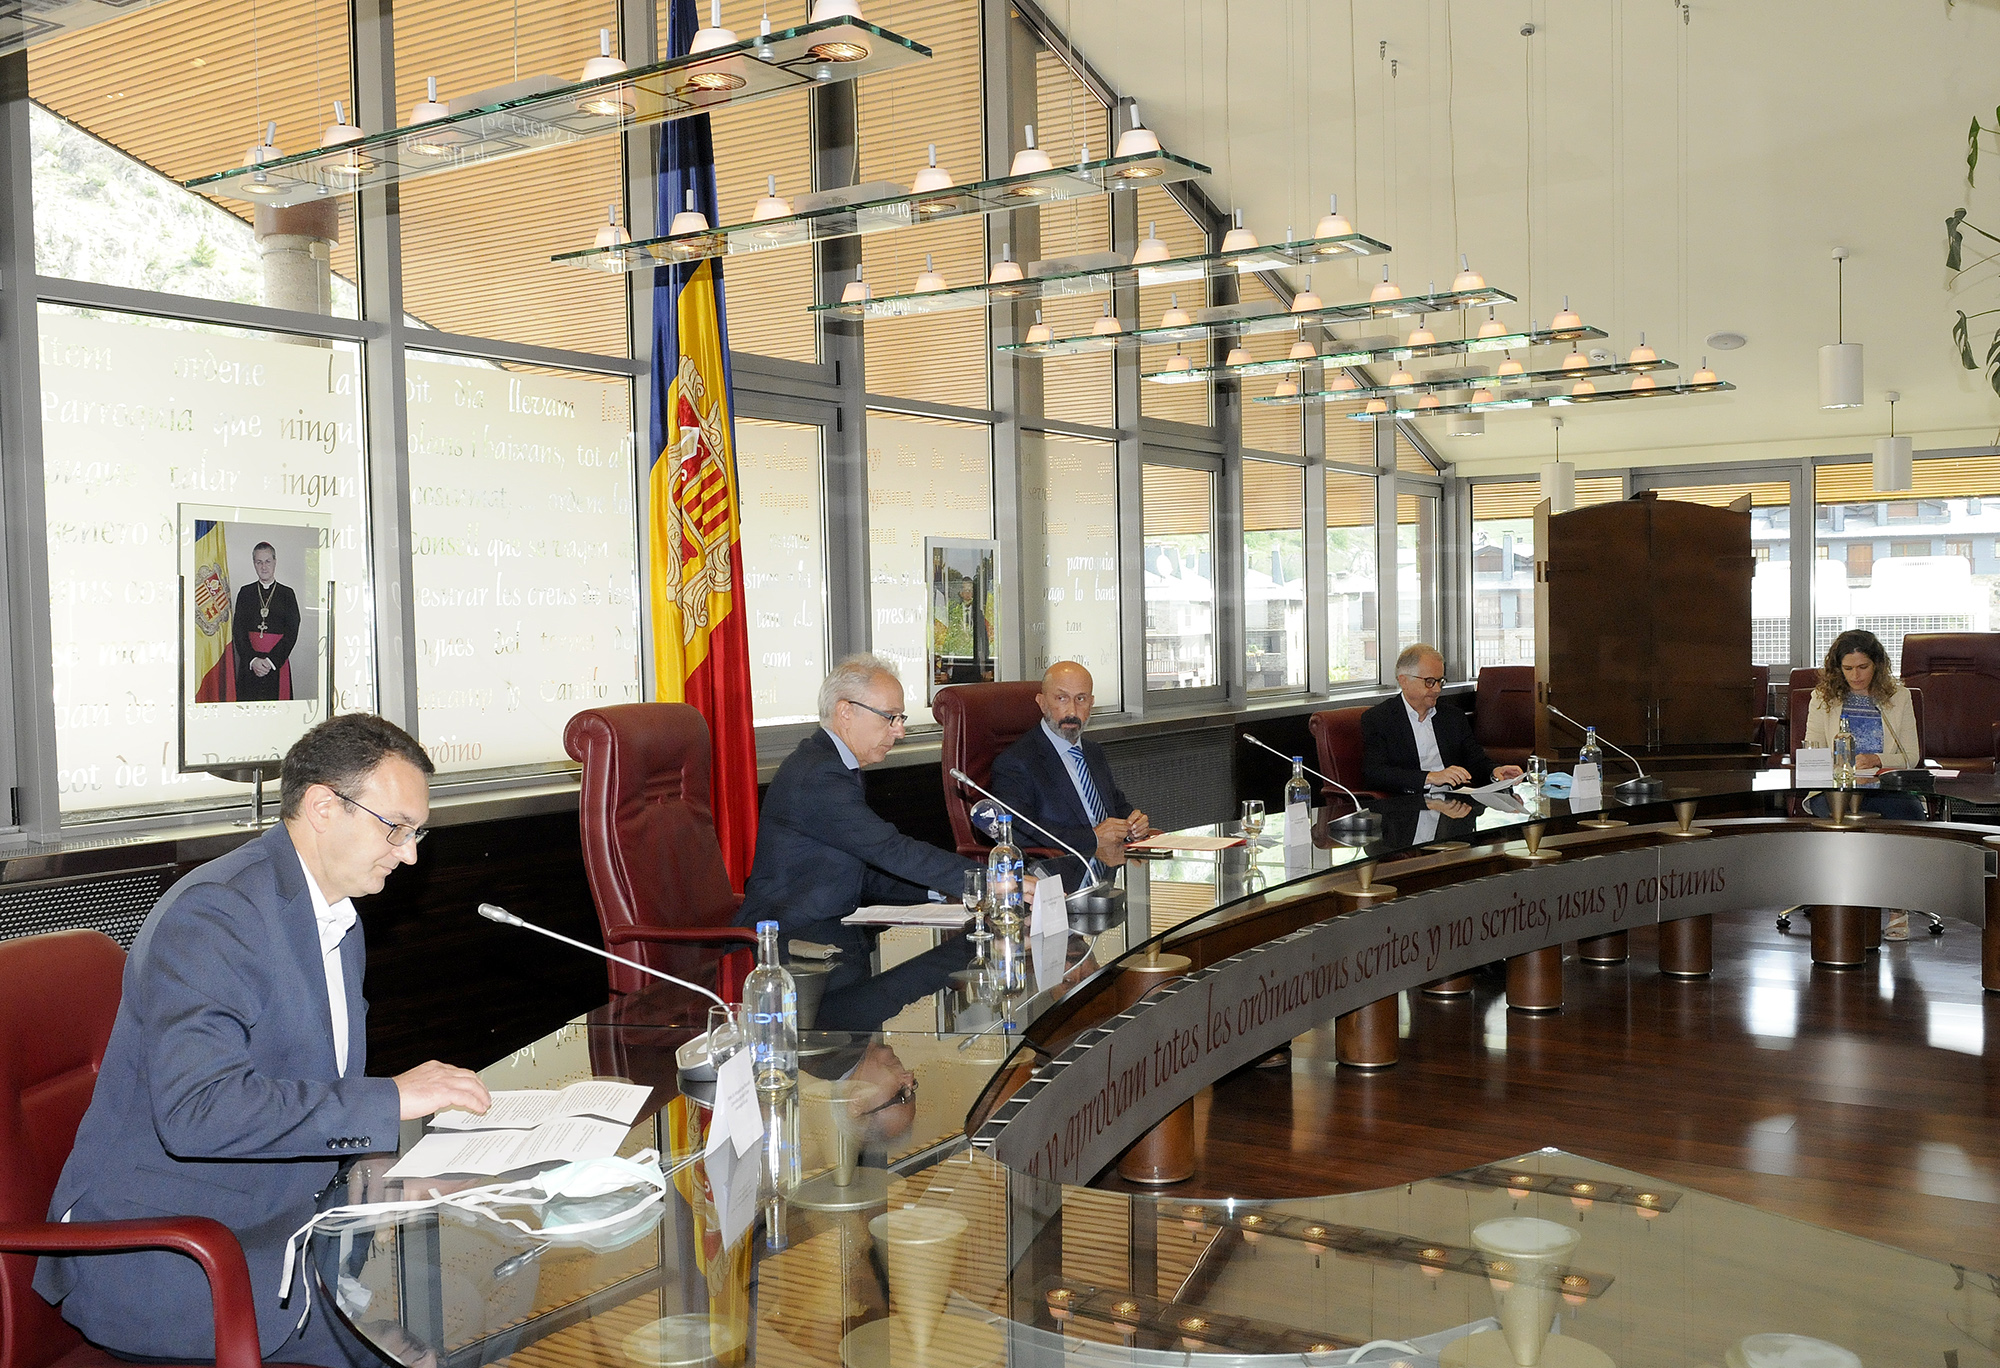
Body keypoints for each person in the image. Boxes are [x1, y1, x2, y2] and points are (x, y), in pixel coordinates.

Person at [35, 713, 492, 1365]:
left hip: (292, 1229)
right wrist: (388, 1100)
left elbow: (306, 1086)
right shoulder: (215, 914)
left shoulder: (336, 914)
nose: (410, 853)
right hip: (181, 1262)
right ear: (323, 807)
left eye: (417, 832)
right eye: (395, 827)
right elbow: (200, 1113)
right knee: (449, 1344)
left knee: (485, 1301)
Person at [736, 654, 988, 1031]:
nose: (899, 732)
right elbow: (889, 849)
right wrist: (988, 881)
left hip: (834, 938)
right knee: (918, 983)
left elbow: (859, 871)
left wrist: (941, 893)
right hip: (795, 950)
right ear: (846, 712)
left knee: (938, 968)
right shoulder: (818, 774)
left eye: (900, 718)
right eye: (890, 717)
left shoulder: (836, 764)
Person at [1801, 628, 1927, 938]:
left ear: (1877, 665)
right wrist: (1838, 765)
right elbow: (1812, 748)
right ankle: (1840, 907)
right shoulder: (1822, 697)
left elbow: (1910, 756)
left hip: (1884, 785)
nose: (1855, 676)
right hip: (1836, 787)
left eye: (1863, 667)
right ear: (1837, 668)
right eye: (1848, 668)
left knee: (1907, 815)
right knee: (1841, 821)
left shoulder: (1898, 696)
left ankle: (1898, 906)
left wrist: (1878, 759)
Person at [988, 661, 1149, 861]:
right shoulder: (1015, 763)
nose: (1072, 711)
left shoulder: (1093, 752)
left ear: (1091, 703)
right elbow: (1017, 831)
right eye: (1062, 698)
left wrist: (1134, 823)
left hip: (1108, 865)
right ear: (1042, 702)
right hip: (1059, 869)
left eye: (1081, 699)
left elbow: (1116, 806)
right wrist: (1092, 838)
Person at [1361, 643, 1524, 794]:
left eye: (1440, 681)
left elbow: (1475, 761)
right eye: (1429, 682)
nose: (1437, 689)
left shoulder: (1452, 717)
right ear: (1404, 681)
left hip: (1454, 802)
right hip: (1408, 805)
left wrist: (1494, 772)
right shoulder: (1379, 719)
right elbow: (1375, 773)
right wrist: (1430, 777)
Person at [232, 540, 302, 701]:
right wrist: (252, 660)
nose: (264, 567)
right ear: (254, 564)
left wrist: (271, 661)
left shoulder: (287, 594)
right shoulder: (245, 592)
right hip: (250, 664)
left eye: (267, 561)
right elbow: (238, 630)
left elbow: (292, 632)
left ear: (275, 562)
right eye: (259, 562)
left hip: (277, 663)